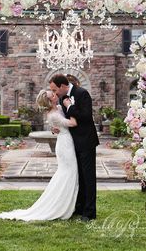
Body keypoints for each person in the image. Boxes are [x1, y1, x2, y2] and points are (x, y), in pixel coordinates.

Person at [0, 89, 78, 221]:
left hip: (66, 141)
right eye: (53, 95)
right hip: (65, 144)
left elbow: (58, 125)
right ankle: (61, 205)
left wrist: (54, 127)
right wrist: (71, 107)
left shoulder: (57, 108)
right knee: (68, 172)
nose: (56, 95)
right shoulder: (53, 114)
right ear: (50, 101)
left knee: (69, 172)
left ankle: (69, 204)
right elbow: (73, 123)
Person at [49, 73, 99, 221]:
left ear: (63, 86)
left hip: (86, 142)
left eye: (55, 90)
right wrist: (55, 128)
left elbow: (86, 116)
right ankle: (79, 207)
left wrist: (69, 106)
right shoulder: (62, 98)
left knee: (88, 178)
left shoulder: (82, 93)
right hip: (71, 144)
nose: (54, 93)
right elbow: (62, 119)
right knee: (79, 177)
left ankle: (89, 212)